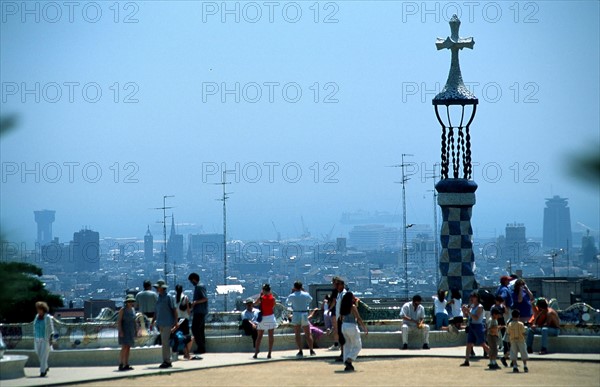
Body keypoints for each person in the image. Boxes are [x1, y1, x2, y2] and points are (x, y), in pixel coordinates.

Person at [150, 279, 178, 369]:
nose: (156, 289)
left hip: (167, 323)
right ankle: (166, 360)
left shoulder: (169, 297)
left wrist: (175, 322)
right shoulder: (158, 298)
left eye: (157, 287)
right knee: (164, 342)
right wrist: (153, 321)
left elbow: (174, 310)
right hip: (161, 323)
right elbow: (156, 311)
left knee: (165, 342)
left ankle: (167, 361)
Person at [339, 291, 368, 372]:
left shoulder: (343, 307)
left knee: (347, 345)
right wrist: (364, 327)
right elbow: (358, 318)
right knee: (358, 345)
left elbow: (341, 318)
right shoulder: (352, 306)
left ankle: (347, 363)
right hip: (351, 326)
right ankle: (349, 360)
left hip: (344, 326)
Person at [460, 292, 490, 366]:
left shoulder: (480, 307)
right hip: (472, 325)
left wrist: (468, 311)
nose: (472, 299)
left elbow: (476, 317)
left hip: (478, 326)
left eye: (473, 297)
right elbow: (468, 316)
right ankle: (466, 361)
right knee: (469, 343)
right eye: (471, 297)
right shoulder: (472, 306)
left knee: (482, 344)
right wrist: (465, 311)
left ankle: (493, 357)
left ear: (477, 298)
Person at [287, 281, 316, 357]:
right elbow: (310, 300)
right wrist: (304, 291)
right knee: (308, 333)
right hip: (304, 314)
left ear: (294, 287)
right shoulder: (306, 294)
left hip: (296, 314)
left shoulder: (292, 295)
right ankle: (311, 350)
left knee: (297, 334)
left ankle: (300, 350)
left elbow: (288, 303)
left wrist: (292, 292)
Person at [253, 284, 278, 359]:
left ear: (263, 290)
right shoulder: (273, 298)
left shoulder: (261, 298)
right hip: (270, 317)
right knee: (271, 336)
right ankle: (269, 353)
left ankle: (256, 353)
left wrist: (260, 296)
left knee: (259, 336)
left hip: (263, 317)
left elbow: (255, 304)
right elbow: (274, 305)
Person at [33, 301, 55, 377]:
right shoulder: (36, 317)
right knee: (38, 354)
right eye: (37, 309)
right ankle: (45, 367)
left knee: (43, 356)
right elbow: (35, 327)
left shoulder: (47, 318)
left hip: (45, 339)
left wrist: (51, 339)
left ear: (43, 309)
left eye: (40, 309)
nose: (38, 311)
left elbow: (51, 329)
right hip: (37, 339)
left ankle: (42, 371)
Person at [188, 272, 208, 356]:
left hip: (200, 312)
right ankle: (202, 347)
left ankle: (201, 347)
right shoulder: (199, 286)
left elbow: (205, 298)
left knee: (195, 329)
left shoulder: (199, 287)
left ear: (194, 279)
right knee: (200, 330)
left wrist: (195, 302)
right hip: (199, 311)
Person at [118, 294, 137, 371]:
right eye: (129, 301)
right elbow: (119, 321)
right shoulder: (122, 310)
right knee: (124, 347)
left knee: (128, 347)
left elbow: (134, 321)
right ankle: (121, 363)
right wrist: (120, 331)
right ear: (126, 302)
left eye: (132, 301)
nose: (130, 303)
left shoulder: (133, 310)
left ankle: (126, 363)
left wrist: (136, 330)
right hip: (124, 330)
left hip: (131, 330)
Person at [491, 295, 510, 367]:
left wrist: (504, 307)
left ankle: (505, 351)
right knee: (495, 337)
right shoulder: (493, 307)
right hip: (496, 321)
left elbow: (506, 312)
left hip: (501, 321)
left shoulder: (502, 306)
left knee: (504, 337)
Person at [334, 278, 348, 361]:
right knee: (341, 337)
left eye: (338, 285)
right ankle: (343, 353)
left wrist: (342, 316)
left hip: (342, 318)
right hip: (339, 318)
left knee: (343, 337)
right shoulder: (340, 294)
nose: (336, 286)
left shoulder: (343, 294)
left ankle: (344, 354)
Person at [328, 276, 341, 351]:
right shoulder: (344, 290)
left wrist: (329, 308)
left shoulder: (335, 291)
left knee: (336, 328)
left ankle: (336, 344)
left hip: (335, 311)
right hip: (343, 311)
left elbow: (334, 301)